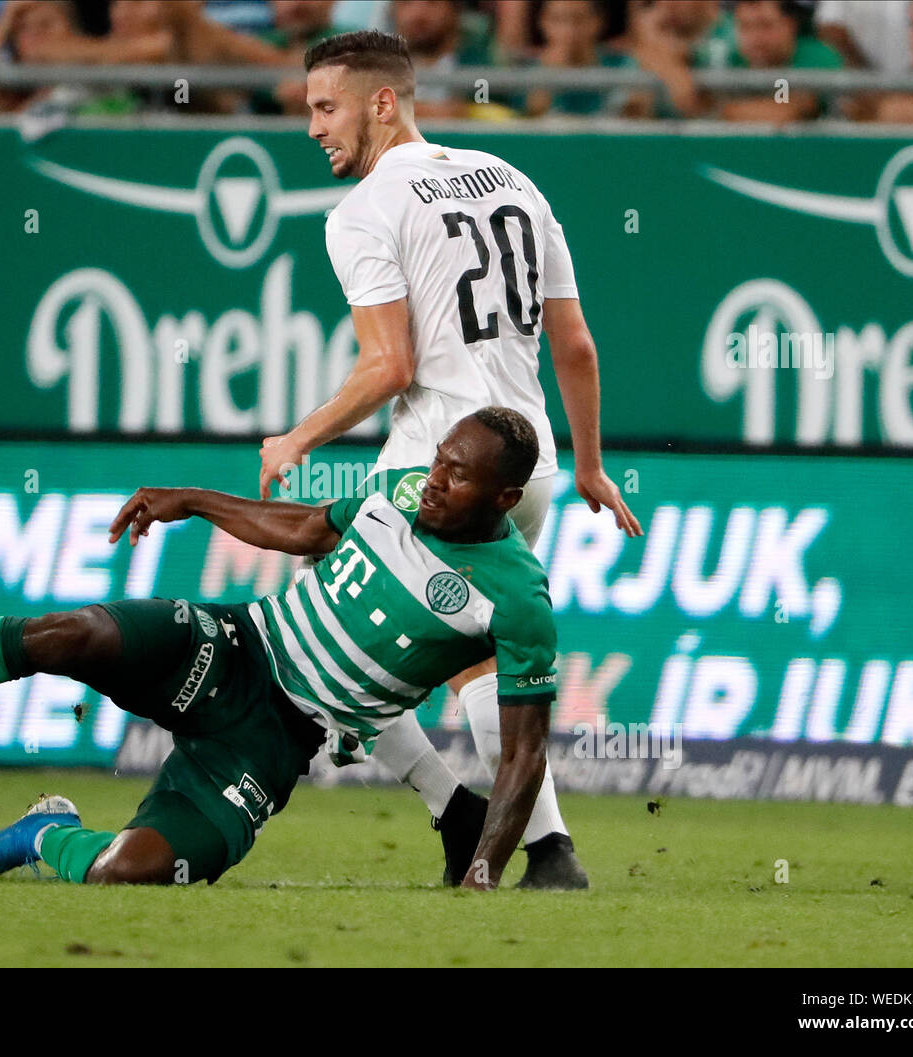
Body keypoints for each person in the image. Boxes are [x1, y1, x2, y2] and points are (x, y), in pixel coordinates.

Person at [0, 410, 561, 891]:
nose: (433, 481)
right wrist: (192, 499)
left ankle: (44, 835)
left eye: (455, 477)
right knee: (69, 633)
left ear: (502, 499)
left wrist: (489, 863)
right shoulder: (397, 491)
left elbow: (524, 756)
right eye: (438, 461)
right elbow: (306, 529)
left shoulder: (517, 597)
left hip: (274, 743)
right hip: (236, 645)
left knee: (132, 870)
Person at [257, 29, 642, 889]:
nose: (314, 127)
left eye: (325, 108)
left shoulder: (361, 212)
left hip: (436, 469)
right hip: (527, 469)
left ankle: (474, 815)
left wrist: (298, 437)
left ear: (382, 102)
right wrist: (587, 466)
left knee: (313, 646)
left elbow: (389, 365)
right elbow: (575, 345)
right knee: (475, 659)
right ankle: (539, 849)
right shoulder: (513, 179)